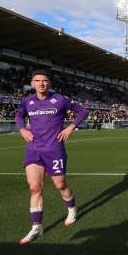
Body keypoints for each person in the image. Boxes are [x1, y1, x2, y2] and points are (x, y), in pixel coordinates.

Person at [15, 69, 89, 244]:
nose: (41, 83)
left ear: (49, 83)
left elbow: (82, 111)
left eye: (45, 80)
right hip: (34, 149)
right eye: (37, 80)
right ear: (32, 83)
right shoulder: (27, 101)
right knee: (35, 187)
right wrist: (22, 129)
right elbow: (19, 115)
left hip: (54, 149)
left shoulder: (60, 99)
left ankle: (71, 209)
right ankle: (36, 227)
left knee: (60, 184)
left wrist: (70, 127)